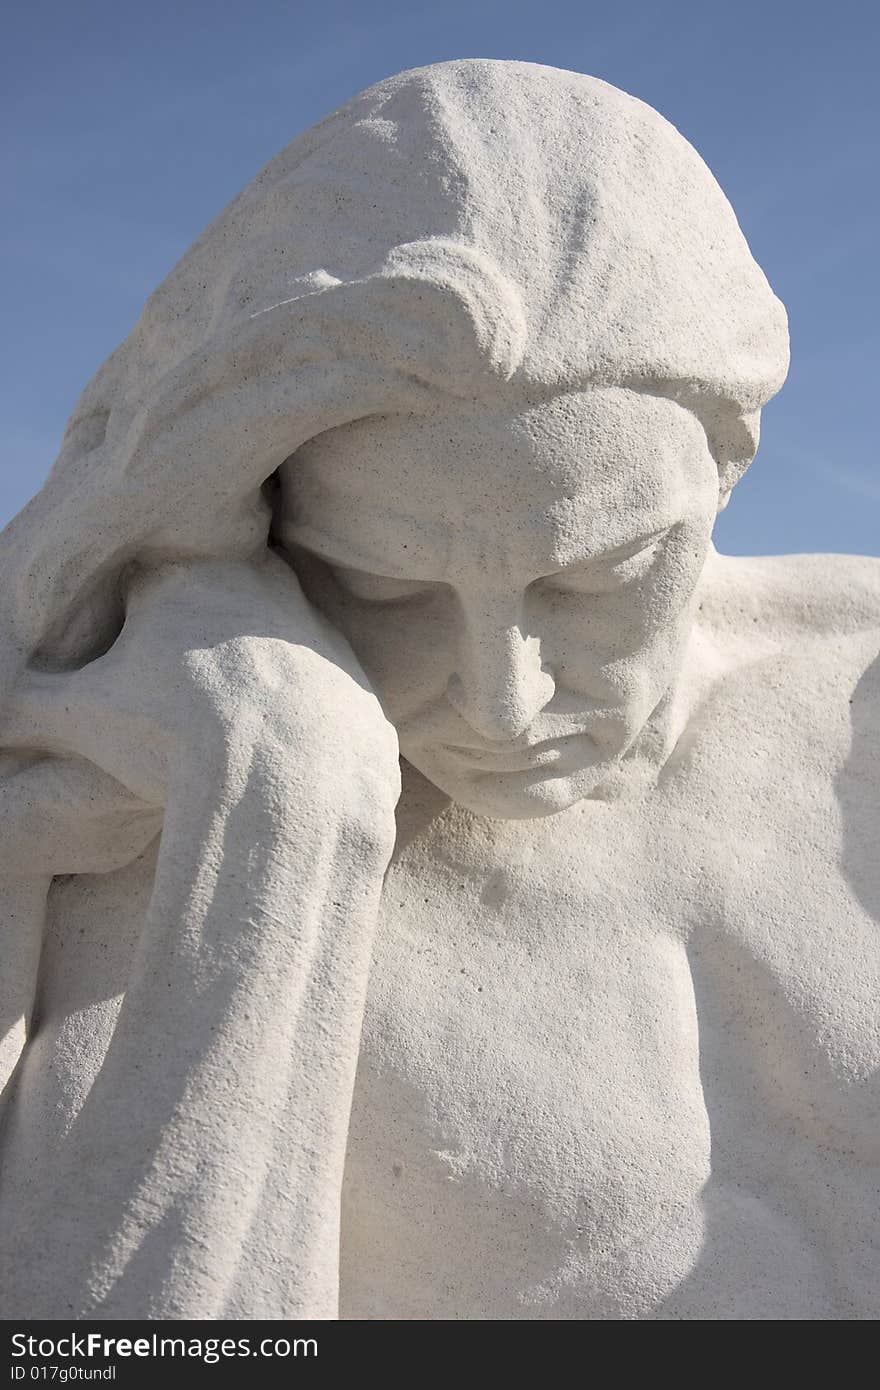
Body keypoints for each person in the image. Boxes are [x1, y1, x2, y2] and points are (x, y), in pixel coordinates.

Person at [0, 59, 877, 1321]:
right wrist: (278, 819)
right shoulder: (142, 834)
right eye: (390, 588)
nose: (503, 699)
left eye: (596, 578)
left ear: (720, 472)